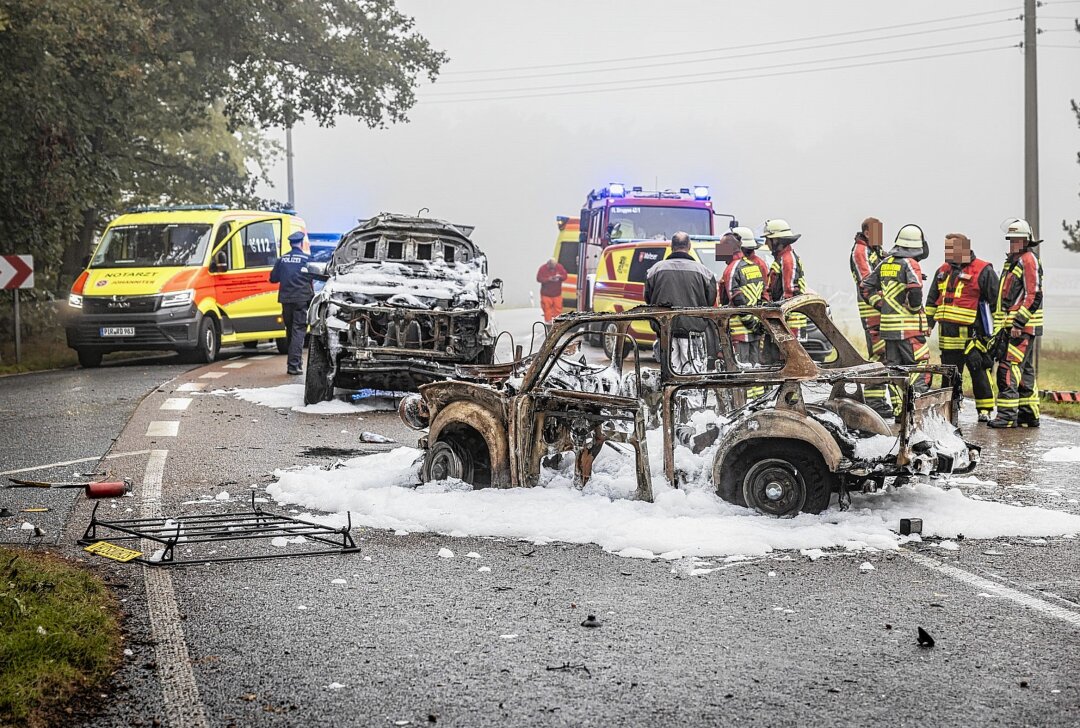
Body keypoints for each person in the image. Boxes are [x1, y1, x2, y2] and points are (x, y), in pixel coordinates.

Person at [925, 233, 999, 422]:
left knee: (979, 372)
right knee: (949, 375)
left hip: (973, 336)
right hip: (947, 336)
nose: (946, 252)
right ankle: (947, 411)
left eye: (950, 248)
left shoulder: (983, 270)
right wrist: (928, 324)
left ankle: (985, 411)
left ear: (963, 249)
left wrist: (995, 332)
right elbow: (932, 300)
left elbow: (995, 302)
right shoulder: (942, 271)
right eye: (946, 248)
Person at [861, 224, 932, 416]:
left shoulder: (886, 262)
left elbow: (865, 287)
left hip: (889, 330)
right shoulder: (910, 263)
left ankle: (901, 410)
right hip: (909, 331)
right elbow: (915, 292)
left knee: (894, 370)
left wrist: (881, 305)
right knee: (918, 368)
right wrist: (915, 308)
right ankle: (915, 412)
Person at [988, 219, 1044, 429]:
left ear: (1026, 240)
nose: (1012, 243)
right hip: (1014, 326)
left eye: (1016, 240)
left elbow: (1034, 294)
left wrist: (1018, 322)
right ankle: (1028, 414)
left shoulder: (1028, 259)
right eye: (1010, 239)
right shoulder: (1014, 260)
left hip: (1021, 327)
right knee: (1025, 370)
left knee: (1007, 368)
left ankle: (1007, 415)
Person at [644, 231, 717, 373]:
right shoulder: (705, 273)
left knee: (669, 373)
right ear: (689, 246)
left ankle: (672, 395)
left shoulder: (655, 270)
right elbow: (710, 301)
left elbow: (648, 298)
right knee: (693, 375)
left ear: (672, 246)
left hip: (665, 332)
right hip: (693, 333)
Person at [849, 217, 891, 417]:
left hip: (883, 310)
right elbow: (866, 283)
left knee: (886, 356)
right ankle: (875, 403)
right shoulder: (860, 251)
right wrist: (883, 303)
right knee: (878, 355)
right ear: (867, 233)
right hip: (872, 310)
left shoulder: (876, 250)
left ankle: (880, 403)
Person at [269, 231, 314, 375]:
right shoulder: (306, 259)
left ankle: (293, 363)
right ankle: (294, 365)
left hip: (286, 300)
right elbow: (313, 277)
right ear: (301, 243)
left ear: (290, 243)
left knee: (290, 331)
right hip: (301, 300)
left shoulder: (282, 260)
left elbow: (273, 278)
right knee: (298, 331)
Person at [763, 219, 808, 336]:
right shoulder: (782, 258)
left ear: (776, 240)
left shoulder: (788, 259)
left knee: (788, 354)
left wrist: (779, 317)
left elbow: (790, 292)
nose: (765, 243)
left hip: (790, 322)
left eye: (767, 239)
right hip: (785, 320)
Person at [536, 258, 568, 323]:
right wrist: (548, 279)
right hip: (546, 294)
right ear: (548, 264)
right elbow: (539, 278)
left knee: (558, 309)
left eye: (554, 266)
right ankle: (548, 322)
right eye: (551, 266)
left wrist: (560, 277)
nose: (553, 268)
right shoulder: (543, 268)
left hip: (557, 293)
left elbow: (565, 276)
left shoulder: (559, 267)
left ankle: (557, 322)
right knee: (547, 309)